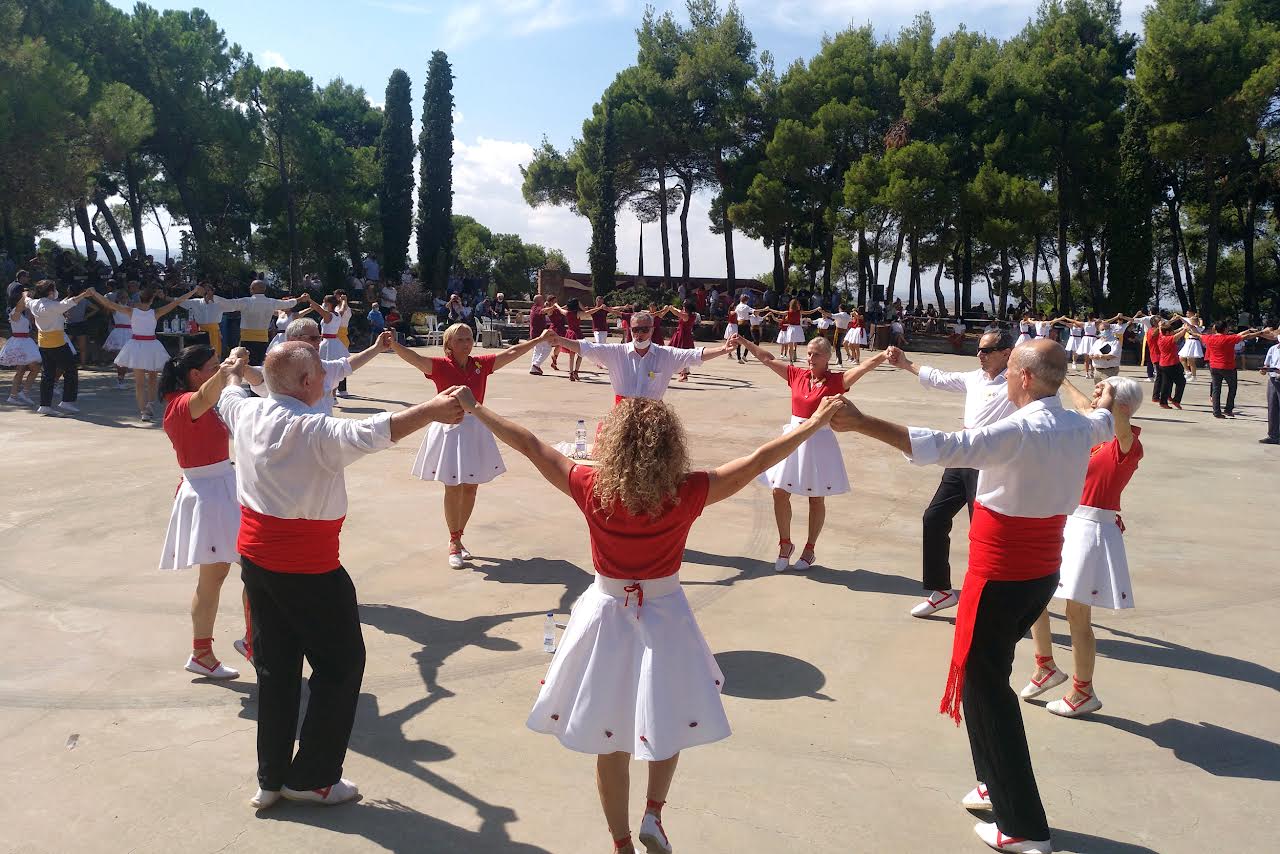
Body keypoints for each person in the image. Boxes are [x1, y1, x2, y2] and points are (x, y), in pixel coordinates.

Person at [447, 385, 846, 854]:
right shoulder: (689, 491)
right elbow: (759, 459)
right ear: (670, 447)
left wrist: (475, 407)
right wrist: (814, 424)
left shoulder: (589, 486)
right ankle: (654, 812)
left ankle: (621, 844)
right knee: (667, 717)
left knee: (608, 737)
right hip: (666, 614)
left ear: (612, 443)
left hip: (605, 615)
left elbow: (531, 444)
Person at [831, 339, 1115, 854]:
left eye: (1010, 371)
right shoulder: (1080, 426)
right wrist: (1099, 396)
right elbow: (1104, 419)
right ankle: (992, 782)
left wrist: (861, 422)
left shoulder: (1019, 430)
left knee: (987, 691)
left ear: (1024, 378)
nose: (1002, 379)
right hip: (1040, 573)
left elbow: (942, 445)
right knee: (987, 677)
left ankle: (1023, 827)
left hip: (1002, 574)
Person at [217, 342, 465, 810]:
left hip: (257, 562)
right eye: (320, 373)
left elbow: (230, 393)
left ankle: (271, 778)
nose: (326, 380)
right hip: (309, 569)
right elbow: (376, 430)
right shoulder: (314, 430)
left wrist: (233, 369)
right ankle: (312, 778)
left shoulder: (246, 413)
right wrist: (432, 409)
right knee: (340, 666)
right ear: (307, 382)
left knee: (275, 668)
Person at [1023, 376, 1144, 719]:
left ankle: (1083, 691)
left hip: (1092, 530)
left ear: (1121, 406)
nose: (1094, 400)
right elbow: (1081, 404)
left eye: (1103, 396)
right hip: (1066, 519)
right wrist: (1061, 379)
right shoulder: (1096, 433)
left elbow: (1118, 423)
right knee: (1034, 595)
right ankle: (1045, 665)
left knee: (1077, 615)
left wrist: (1110, 396)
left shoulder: (1127, 444)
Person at [390, 323, 556, 567]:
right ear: (448, 344)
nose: (466, 343)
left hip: (476, 428)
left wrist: (538, 340)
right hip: (449, 429)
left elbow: (510, 353)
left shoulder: (480, 364)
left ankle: (458, 536)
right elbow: (415, 358)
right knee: (453, 487)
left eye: (469, 338)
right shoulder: (439, 366)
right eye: (460, 340)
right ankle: (453, 542)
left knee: (470, 488)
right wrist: (393, 344)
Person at [885, 330, 1019, 618]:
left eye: (986, 350)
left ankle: (996, 596)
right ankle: (941, 591)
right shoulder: (975, 378)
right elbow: (940, 378)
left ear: (1006, 353)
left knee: (982, 532)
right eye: (979, 349)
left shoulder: (1018, 383)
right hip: (961, 457)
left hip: (990, 463)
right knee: (934, 518)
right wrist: (906, 364)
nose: (979, 355)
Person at [739, 334, 885, 572]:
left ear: (827, 357)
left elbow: (864, 367)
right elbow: (767, 358)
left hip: (819, 442)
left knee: (816, 498)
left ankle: (810, 549)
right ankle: (785, 544)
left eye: (816, 354)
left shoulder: (837, 381)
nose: (810, 358)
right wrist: (745, 343)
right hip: (792, 439)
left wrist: (884, 355)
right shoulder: (797, 375)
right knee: (779, 492)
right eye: (808, 353)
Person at [158, 345, 252, 679]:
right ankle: (245, 643)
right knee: (248, 571)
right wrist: (229, 367)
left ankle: (209, 651)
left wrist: (233, 362)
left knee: (223, 576)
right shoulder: (182, 404)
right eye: (211, 367)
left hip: (222, 488)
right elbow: (207, 394)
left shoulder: (197, 400)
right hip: (209, 495)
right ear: (195, 375)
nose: (218, 370)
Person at [553, 311, 735, 404]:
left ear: (652, 330)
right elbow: (586, 348)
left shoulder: (666, 355)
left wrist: (723, 349)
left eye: (644, 330)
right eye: (635, 330)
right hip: (622, 418)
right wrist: (558, 339)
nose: (639, 334)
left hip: (654, 419)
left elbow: (694, 355)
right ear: (630, 330)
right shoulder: (616, 352)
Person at [88, 283, 201, 422]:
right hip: (151, 346)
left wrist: (94, 293)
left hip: (137, 346)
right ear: (152, 299)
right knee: (152, 379)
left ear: (139, 298)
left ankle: (144, 411)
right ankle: (149, 405)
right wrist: (194, 291)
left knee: (140, 383)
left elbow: (108, 303)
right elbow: (178, 301)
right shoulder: (155, 312)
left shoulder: (131, 311)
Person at [240, 318, 393, 416]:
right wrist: (242, 366)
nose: (319, 342)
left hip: (322, 444)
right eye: (313, 338)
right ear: (293, 339)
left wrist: (377, 348)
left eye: (319, 338)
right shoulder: (276, 369)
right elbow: (259, 378)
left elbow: (348, 364)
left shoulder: (324, 366)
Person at [26, 280, 95, 415]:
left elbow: (26, 300)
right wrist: (85, 294)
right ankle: (67, 401)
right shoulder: (54, 306)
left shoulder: (34, 304)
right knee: (71, 370)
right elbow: (71, 302)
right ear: (50, 292)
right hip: (57, 342)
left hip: (43, 342)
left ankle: (44, 404)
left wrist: (25, 294)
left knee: (47, 374)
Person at [1187, 321, 1268, 418]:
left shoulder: (1209, 337)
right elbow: (1245, 337)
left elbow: (1199, 335)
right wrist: (1260, 333)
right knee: (1232, 388)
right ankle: (1228, 409)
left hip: (1214, 366)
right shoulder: (1229, 338)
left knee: (1216, 390)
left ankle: (1216, 412)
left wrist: (1191, 332)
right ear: (1225, 329)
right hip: (1228, 367)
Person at [228, 280, 306, 366]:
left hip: (246, 338)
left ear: (252, 289)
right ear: (264, 289)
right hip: (262, 338)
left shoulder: (246, 301)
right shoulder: (271, 302)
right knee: (259, 364)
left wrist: (216, 299)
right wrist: (301, 299)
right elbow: (288, 303)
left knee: (245, 364)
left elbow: (229, 304)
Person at [2, 287, 41, 404]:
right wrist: (25, 296)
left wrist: (29, 296)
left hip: (25, 342)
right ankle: (20, 394)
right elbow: (20, 306)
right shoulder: (15, 312)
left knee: (23, 370)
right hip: (19, 343)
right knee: (29, 369)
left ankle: (16, 395)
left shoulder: (23, 313)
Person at [181, 284, 239, 358]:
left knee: (213, 354)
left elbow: (232, 305)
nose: (206, 292)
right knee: (201, 355)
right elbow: (179, 301)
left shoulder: (219, 302)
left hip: (213, 331)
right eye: (204, 290)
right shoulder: (196, 302)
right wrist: (166, 297)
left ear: (212, 291)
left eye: (208, 290)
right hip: (200, 332)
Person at [1153, 320, 1190, 409]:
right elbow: (1179, 335)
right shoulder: (1168, 339)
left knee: (1166, 384)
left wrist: (1160, 326)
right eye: (1171, 331)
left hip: (1163, 363)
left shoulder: (1161, 336)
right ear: (1167, 332)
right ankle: (1176, 400)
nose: (1173, 332)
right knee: (1181, 382)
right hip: (1171, 364)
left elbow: (1163, 331)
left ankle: (1163, 402)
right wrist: (1185, 329)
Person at [668, 300, 699, 382]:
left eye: (684, 307)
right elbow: (679, 311)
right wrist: (674, 308)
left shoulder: (685, 316)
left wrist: (670, 309)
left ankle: (684, 374)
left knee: (681, 355)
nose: (682, 308)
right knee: (683, 355)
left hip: (682, 336)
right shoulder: (692, 315)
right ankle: (683, 373)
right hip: (686, 336)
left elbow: (677, 313)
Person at [1261, 333, 1280, 444]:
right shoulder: (1273, 349)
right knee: (1273, 408)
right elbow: (1267, 364)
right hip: (1273, 380)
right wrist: (1264, 369)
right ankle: (1273, 435)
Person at [1178, 311, 1205, 381]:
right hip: (1189, 342)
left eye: (1191, 320)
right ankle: (1188, 372)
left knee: (1191, 360)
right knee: (1182, 357)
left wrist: (1179, 317)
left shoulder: (1195, 327)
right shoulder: (1196, 327)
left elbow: (1187, 322)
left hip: (1193, 342)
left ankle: (1193, 376)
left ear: (1195, 322)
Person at [527, 294, 550, 375]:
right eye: (542, 299)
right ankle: (536, 365)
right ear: (538, 301)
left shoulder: (533, 308)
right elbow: (543, 311)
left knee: (537, 350)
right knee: (547, 348)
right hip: (539, 333)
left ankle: (533, 368)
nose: (543, 301)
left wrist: (546, 306)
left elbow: (543, 309)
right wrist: (554, 307)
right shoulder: (537, 308)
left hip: (534, 333)